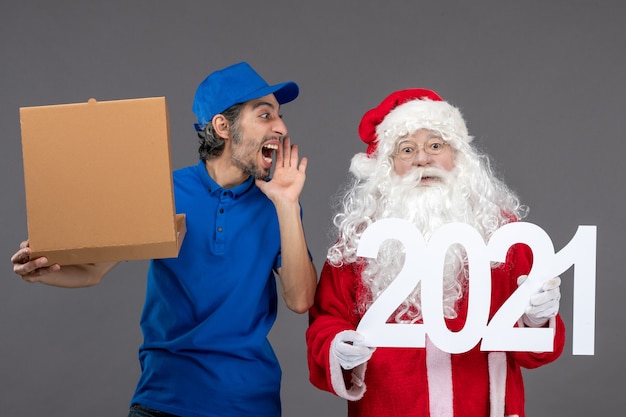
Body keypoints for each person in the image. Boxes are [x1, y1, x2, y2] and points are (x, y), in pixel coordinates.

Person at [12, 61, 317, 417]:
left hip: (248, 403)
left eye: (279, 116)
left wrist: (287, 204)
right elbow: (92, 272)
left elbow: (301, 300)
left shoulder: (276, 204)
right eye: (265, 115)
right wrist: (40, 269)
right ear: (222, 126)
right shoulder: (165, 191)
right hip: (163, 400)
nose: (281, 127)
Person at [306, 88, 565, 417]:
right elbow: (326, 320)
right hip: (391, 406)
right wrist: (338, 346)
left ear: (457, 155)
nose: (422, 159)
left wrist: (536, 319)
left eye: (435, 145)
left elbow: (535, 353)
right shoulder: (360, 238)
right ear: (387, 166)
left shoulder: (503, 232)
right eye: (407, 149)